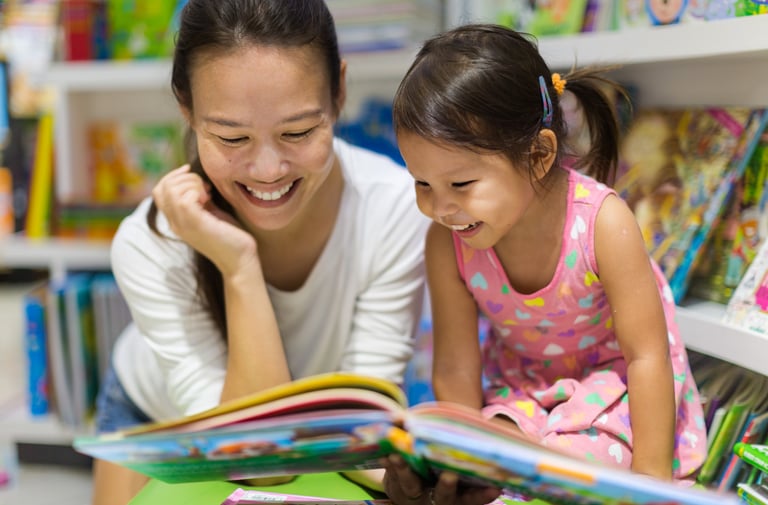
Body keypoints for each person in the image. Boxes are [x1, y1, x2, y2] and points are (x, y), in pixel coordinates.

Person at [91, 1, 429, 504]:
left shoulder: (395, 210)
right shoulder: (150, 243)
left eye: (298, 132)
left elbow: (358, 429)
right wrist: (239, 266)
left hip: (318, 435)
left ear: (339, 90)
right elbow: (255, 462)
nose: (268, 170)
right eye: (232, 137)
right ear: (186, 108)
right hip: (155, 417)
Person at [383, 23, 707, 504]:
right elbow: (455, 368)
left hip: (615, 390)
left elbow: (647, 358)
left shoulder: (604, 223)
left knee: (570, 465)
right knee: (478, 467)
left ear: (538, 155)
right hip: (524, 393)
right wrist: (459, 458)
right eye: (422, 183)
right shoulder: (446, 242)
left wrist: (651, 480)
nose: (440, 207)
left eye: (461, 184)